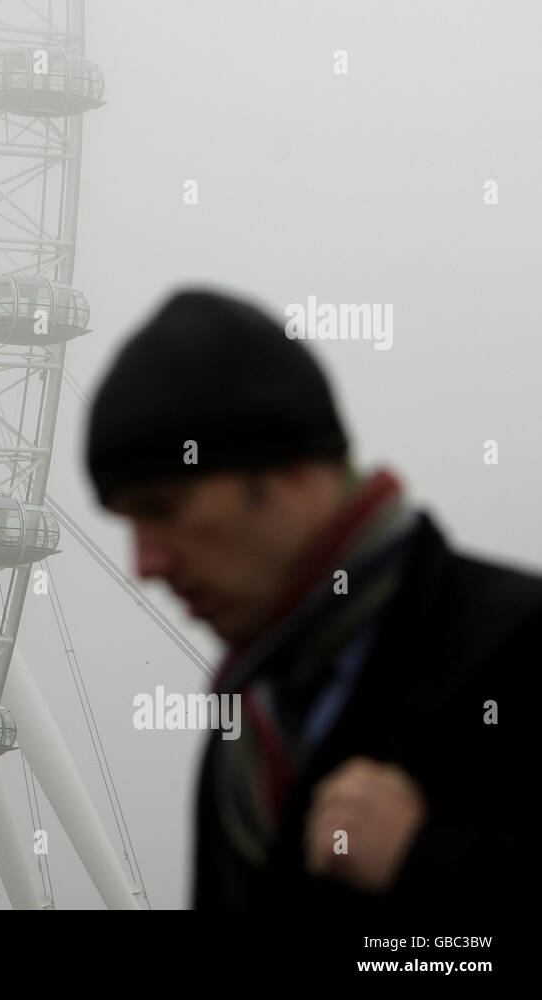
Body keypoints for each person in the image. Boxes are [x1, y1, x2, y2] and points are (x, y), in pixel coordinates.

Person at [84, 288, 541, 908]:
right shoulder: (247, 726)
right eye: (127, 523)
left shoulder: (519, 649)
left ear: (293, 471)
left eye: (163, 508)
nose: (145, 564)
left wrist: (423, 865)